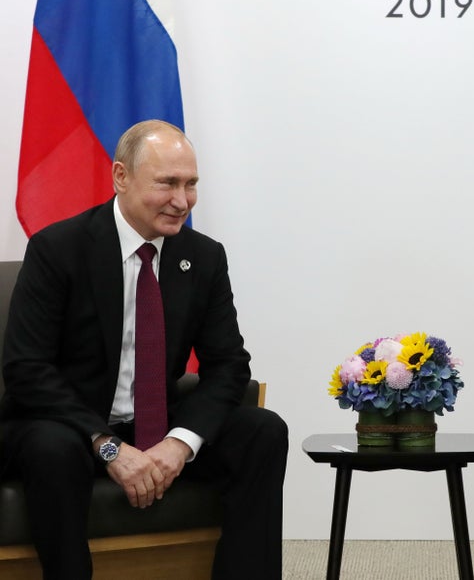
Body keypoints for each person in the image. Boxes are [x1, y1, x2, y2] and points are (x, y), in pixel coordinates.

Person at [0, 120, 288, 579]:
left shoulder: (204, 256)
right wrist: (109, 447)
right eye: (167, 183)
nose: (182, 201)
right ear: (121, 177)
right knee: (51, 447)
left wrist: (180, 443)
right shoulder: (58, 248)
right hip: (71, 427)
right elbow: (26, 369)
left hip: (156, 424)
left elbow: (229, 366)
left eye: (191, 184)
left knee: (263, 430)